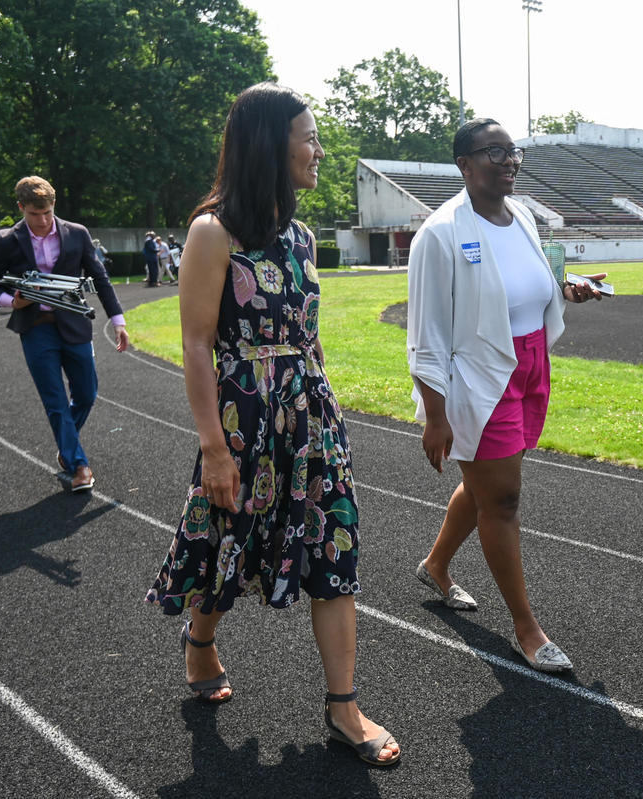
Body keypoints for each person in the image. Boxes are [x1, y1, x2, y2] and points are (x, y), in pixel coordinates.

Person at [144, 82, 400, 766]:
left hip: (309, 419)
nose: (319, 151)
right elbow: (197, 342)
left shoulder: (304, 236)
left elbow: (308, 336)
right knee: (227, 542)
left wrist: (332, 411)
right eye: (309, 139)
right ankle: (201, 642)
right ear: (269, 146)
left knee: (334, 545)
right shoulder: (212, 232)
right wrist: (214, 447)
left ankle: (344, 705)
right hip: (242, 421)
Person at [407, 118, 605, 673]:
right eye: (493, 152)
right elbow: (425, 337)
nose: (508, 160)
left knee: (488, 485)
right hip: (478, 378)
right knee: (503, 500)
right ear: (464, 165)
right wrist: (437, 417)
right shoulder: (440, 234)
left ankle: (436, 565)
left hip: (529, 366)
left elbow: (530, 285)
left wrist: (568, 290)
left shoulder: (522, 217)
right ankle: (527, 627)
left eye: (512, 150)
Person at [0, 176, 130, 492]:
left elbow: (100, 279)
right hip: (35, 329)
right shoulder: (6, 240)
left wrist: (118, 321)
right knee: (55, 400)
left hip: (75, 324)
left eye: (47, 212)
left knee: (87, 393)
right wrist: (12, 302)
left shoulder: (77, 234)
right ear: (21, 207)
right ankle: (78, 465)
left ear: (53, 205)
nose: (42, 220)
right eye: (34, 214)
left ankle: (65, 444)